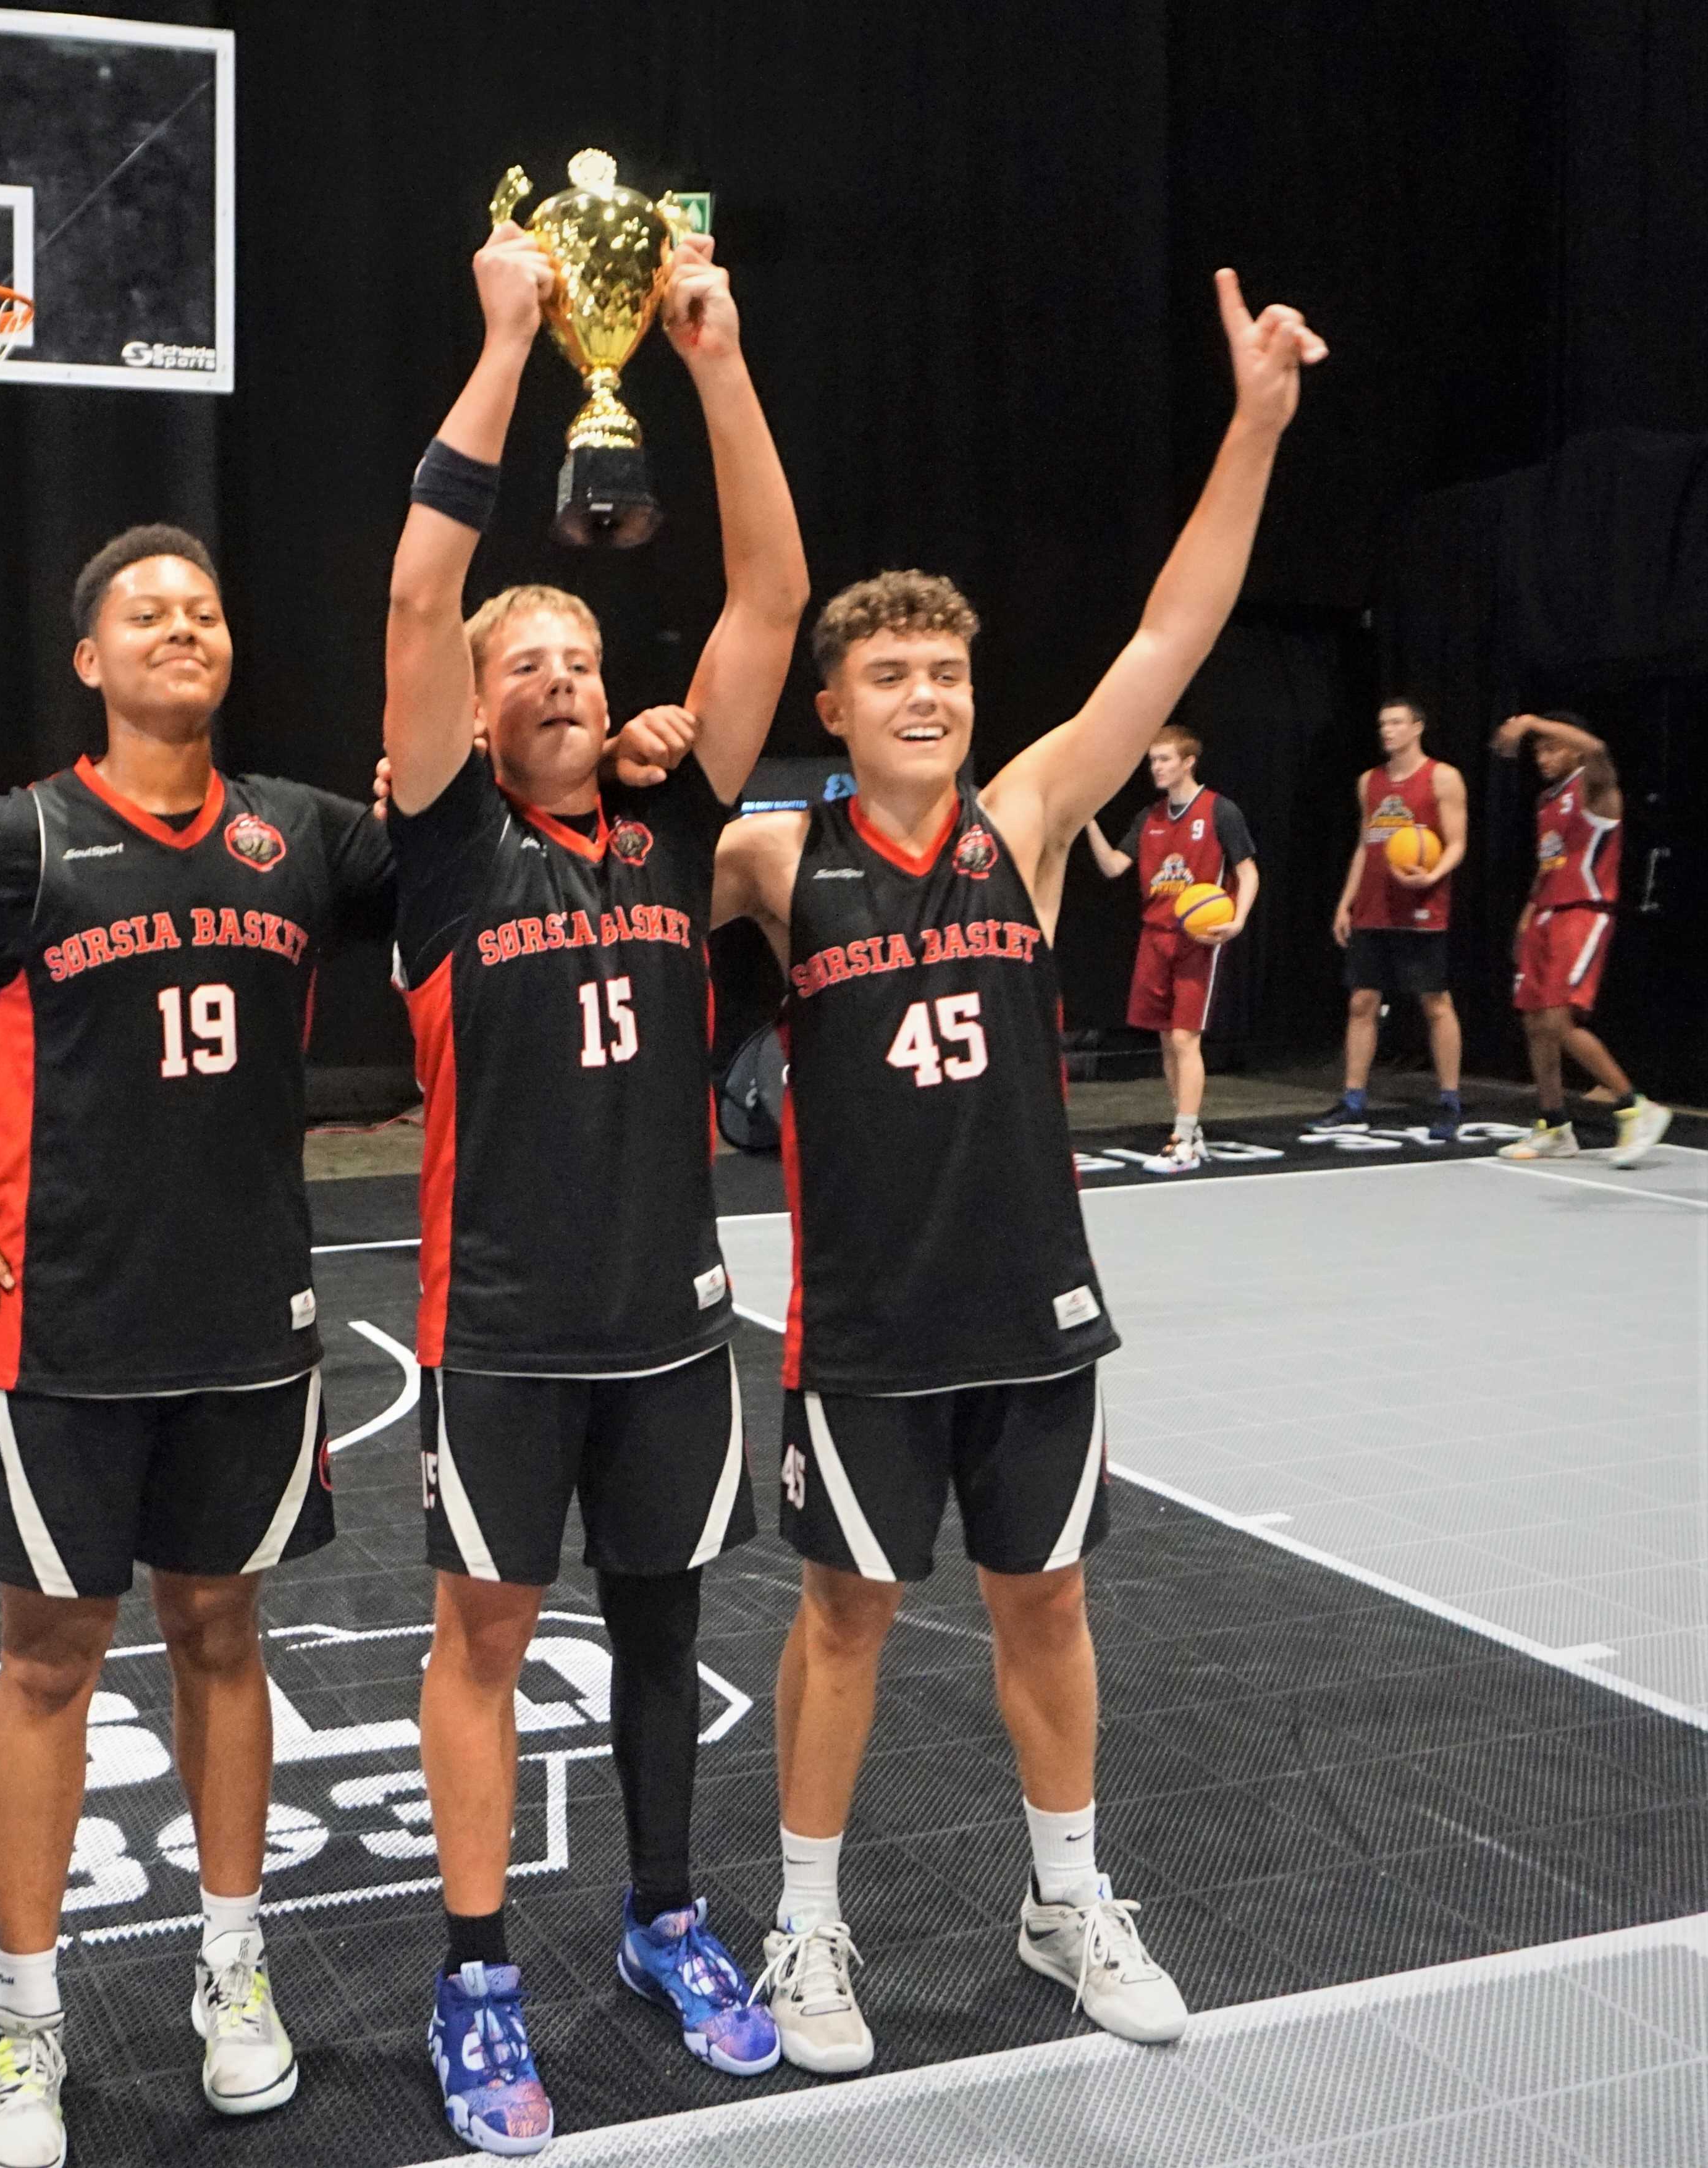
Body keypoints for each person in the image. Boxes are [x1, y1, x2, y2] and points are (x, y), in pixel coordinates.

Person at [705, 269, 1323, 2074]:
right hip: (864, 1320)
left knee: (1044, 1598)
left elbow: (1171, 629)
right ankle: (805, 1921)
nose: (921, 690)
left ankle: (1066, 1891)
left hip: (1032, 1308)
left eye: (945, 670)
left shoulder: (1034, 818)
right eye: (886, 671)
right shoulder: (766, 858)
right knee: (842, 1611)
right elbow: (644, 791)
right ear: (834, 694)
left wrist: (1256, 424)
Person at [0, 525, 392, 2168]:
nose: (180, 626)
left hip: (250, 1324)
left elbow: (472, 859)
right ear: (91, 659)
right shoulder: (23, 842)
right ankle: (29, 2014)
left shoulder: (303, 837)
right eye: (146, 611)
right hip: (57, 1324)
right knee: (50, 1659)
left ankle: (233, 1964)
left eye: (203, 608)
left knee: (221, 1630)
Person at [382, 219, 807, 2154]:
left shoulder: (673, 821)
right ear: (476, 716)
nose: (556, 672)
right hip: (504, 1324)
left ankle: (659, 1920)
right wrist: (504, 342)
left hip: (669, 1322)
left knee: (661, 1627)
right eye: (519, 662)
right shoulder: (446, 848)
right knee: (482, 1632)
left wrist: (706, 358)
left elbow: (773, 593)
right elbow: (419, 583)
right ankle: (476, 1971)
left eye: (577, 651)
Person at [1491, 711, 1672, 1166]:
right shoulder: (1545, 803)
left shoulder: (1594, 786)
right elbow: (1545, 867)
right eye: (1538, 751)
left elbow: (1596, 748)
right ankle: (1553, 1125)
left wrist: (1531, 721)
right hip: (1546, 915)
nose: (1543, 756)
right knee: (1535, 1022)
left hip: (1583, 912)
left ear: (1569, 747)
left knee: (1558, 1020)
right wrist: (1524, 919)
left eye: (1551, 747)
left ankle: (1635, 1105)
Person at [1078, 727, 1259, 1169]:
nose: (1155, 767)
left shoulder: (1219, 810)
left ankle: (1181, 1138)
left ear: (1187, 761)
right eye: (1152, 760)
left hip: (1197, 939)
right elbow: (1112, 867)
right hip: (1153, 938)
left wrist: (1236, 920)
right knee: (1165, 1040)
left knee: (1184, 1037)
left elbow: (1248, 871)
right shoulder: (1150, 817)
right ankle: (1189, 1130)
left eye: (1163, 759)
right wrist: (1086, 819)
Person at [1322, 698, 1468, 1139]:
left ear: (1417, 727)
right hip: (1373, 904)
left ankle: (1448, 1100)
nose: (1386, 730)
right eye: (1382, 723)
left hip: (1421, 905)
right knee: (1361, 1001)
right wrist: (1345, 901)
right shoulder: (1369, 781)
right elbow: (1365, 845)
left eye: (1396, 723)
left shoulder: (1442, 777)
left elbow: (1457, 843)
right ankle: (1352, 1099)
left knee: (1434, 1002)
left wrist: (1432, 874)